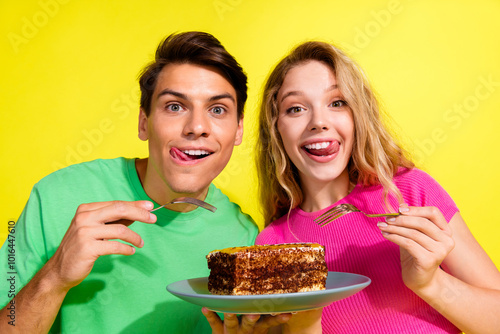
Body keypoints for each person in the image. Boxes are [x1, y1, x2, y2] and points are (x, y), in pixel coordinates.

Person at [0, 31, 280, 333]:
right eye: (175, 106)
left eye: (217, 110)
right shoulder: (56, 196)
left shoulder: (247, 243)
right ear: (144, 122)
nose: (197, 127)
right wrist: (55, 276)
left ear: (238, 131)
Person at [251, 41, 500, 333]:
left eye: (337, 102)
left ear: (358, 116)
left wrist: (432, 283)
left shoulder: (410, 192)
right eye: (295, 108)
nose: (318, 122)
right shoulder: (271, 245)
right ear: (276, 127)